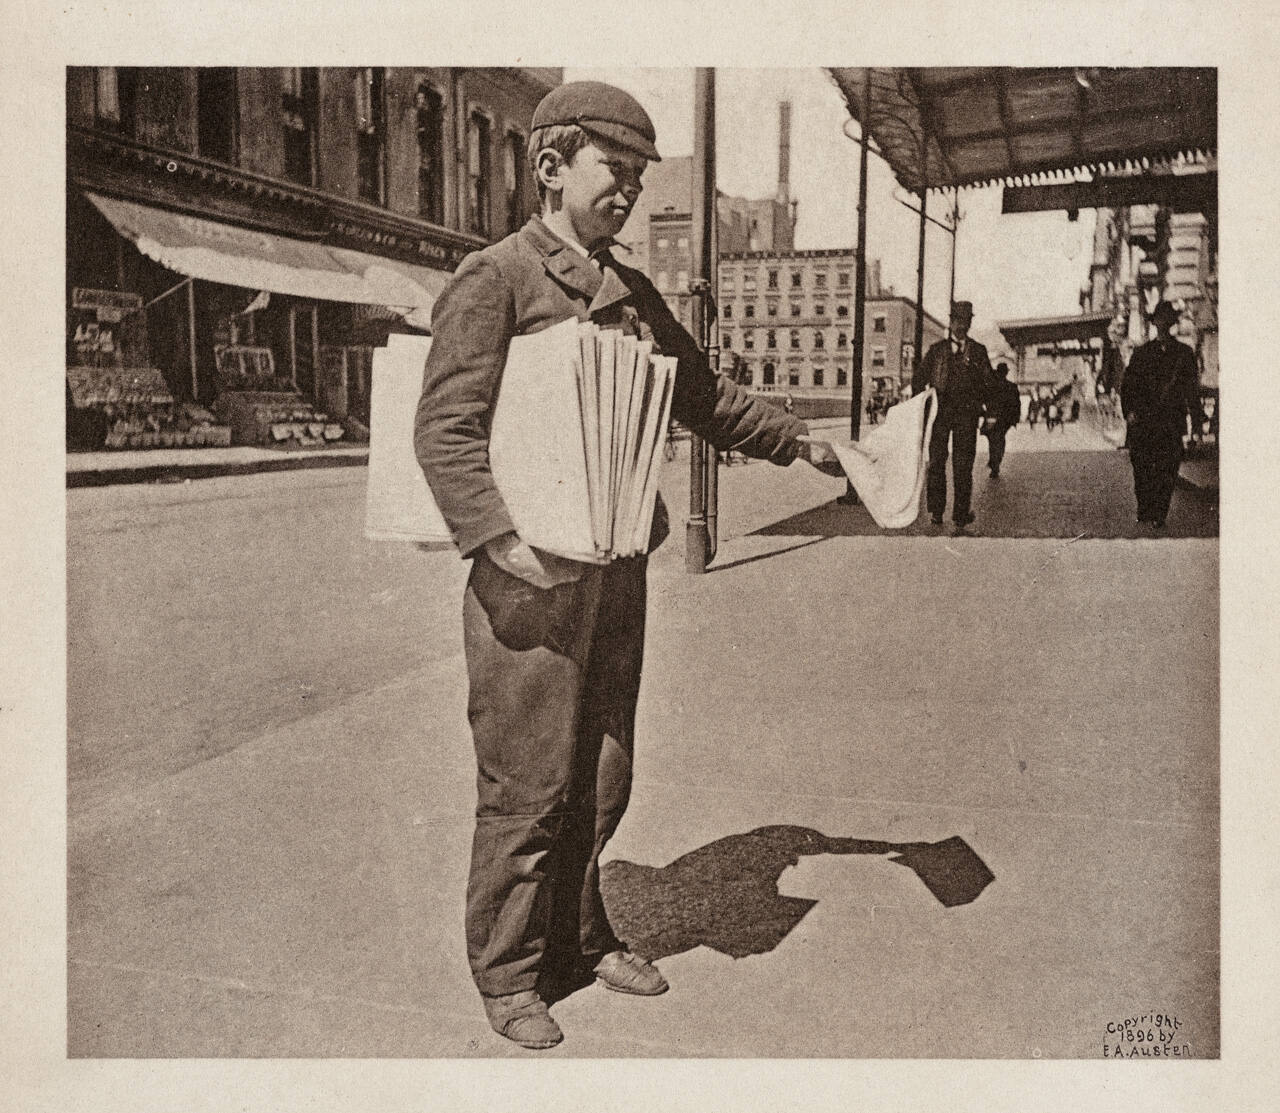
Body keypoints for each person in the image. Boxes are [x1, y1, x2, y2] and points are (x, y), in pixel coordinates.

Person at [413, 81, 843, 1051]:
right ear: (551, 166)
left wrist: (799, 441)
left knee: (602, 774)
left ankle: (580, 939)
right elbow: (444, 431)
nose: (632, 191)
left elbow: (703, 396)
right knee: (527, 784)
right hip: (527, 581)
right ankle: (508, 972)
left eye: (642, 177)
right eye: (616, 170)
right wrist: (499, 541)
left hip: (613, 572)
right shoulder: (496, 280)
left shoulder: (631, 293)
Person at [913, 300, 997, 531]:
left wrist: (991, 414)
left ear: (970, 324)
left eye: (965, 321)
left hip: (967, 416)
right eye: (957, 321)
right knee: (936, 462)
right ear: (950, 323)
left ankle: (960, 514)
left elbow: (989, 384)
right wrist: (922, 407)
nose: (961, 326)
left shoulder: (978, 351)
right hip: (939, 415)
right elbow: (918, 380)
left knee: (963, 465)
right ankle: (936, 511)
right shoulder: (936, 350)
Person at [1120, 300, 1204, 529]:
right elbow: (1128, 386)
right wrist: (1130, 412)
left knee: (1168, 468)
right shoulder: (1142, 353)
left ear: (1172, 323)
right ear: (1155, 323)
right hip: (1145, 421)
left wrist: (1196, 425)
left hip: (1171, 421)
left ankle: (1160, 512)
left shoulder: (1184, 354)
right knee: (1143, 467)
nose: (1164, 323)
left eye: (1168, 319)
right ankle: (1146, 507)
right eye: (1160, 319)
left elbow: (1192, 391)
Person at [981, 362, 1021, 478]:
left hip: (992, 417)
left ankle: (994, 462)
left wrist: (985, 412)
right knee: (1000, 439)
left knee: (993, 440)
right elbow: (1016, 405)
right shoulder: (1012, 386)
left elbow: (984, 400)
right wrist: (1015, 419)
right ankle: (996, 462)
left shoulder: (990, 386)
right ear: (1006, 373)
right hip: (1005, 419)